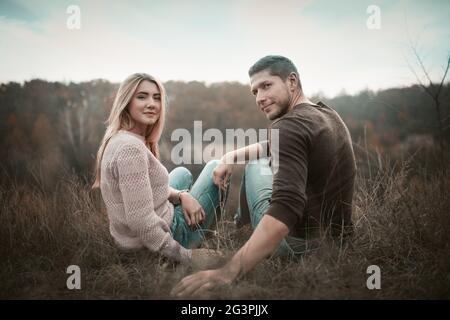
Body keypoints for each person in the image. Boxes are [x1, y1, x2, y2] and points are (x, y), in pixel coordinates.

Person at [171, 55, 357, 297]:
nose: (259, 98)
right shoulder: (326, 114)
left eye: (266, 86)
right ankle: (244, 230)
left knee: (255, 166)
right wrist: (230, 157)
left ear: (292, 81)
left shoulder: (288, 126)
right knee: (255, 159)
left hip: (298, 245)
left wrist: (227, 272)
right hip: (338, 241)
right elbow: (279, 144)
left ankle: (245, 231)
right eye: (255, 92)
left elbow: (285, 209)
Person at [92, 73, 222, 266]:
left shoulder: (119, 138)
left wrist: (181, 196)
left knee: (181, 173)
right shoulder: (131, 149)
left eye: (157, 97)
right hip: (158, 241)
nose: (152, 104)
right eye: (142, 97)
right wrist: (187, 256)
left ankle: (189, 211)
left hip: (131, 236)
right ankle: (199, 239)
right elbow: (140, 220)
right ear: (127, 102)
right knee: (216, 167)